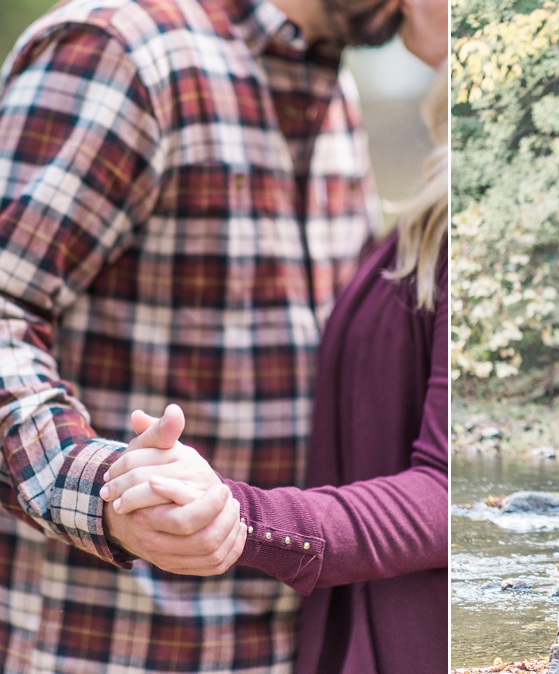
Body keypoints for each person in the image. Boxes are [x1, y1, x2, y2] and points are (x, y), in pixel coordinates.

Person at [0, 0, 408, 669]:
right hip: (107, 640)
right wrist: (104, 488)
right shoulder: (125, 52)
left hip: (282, 642)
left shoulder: (336, 86)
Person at [100, 24, 449, 674]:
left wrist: (242, 515)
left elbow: (448, 490)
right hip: (333, 628)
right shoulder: (405, 147)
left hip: (406, 638)